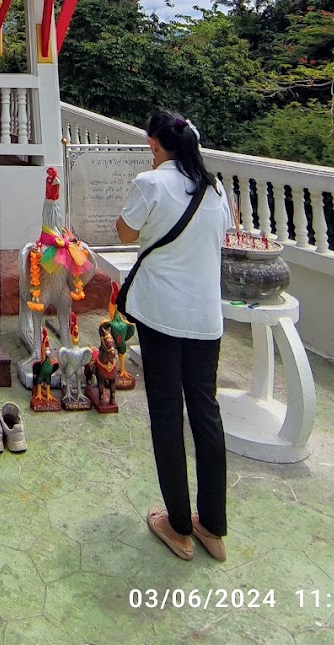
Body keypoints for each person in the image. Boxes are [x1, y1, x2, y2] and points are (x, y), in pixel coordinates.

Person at [115, 110, 234, 563]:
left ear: (157, 146)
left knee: (167, 414)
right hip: (206, 317)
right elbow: (218, 237)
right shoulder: (215, 188)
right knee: (206, 415)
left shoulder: (152, 184)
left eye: (152, 148)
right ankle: (213, 527)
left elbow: (125, 233)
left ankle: (179, 525)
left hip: (162, 314)